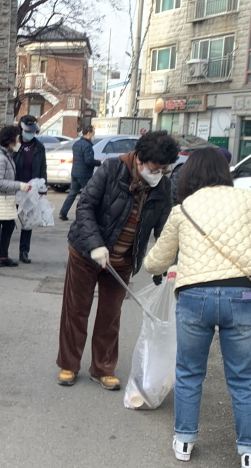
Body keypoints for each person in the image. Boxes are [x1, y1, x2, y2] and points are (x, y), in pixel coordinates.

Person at [144, 148, 251, 468]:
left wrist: (155, 267)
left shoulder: (183, 210)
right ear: (224, 172)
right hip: (242, 296)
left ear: (188, 176)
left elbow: (156, 261)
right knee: (244, 378)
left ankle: (184, 442)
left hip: (194, 298)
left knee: (189, 372)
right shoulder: (246, 200)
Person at [56, 131, 179, 390]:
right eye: (155, 168)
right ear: (140, 160)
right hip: (86, 253)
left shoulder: (163, 186)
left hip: (123, 260)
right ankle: (69, 364)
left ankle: (103, 368)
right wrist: (95, 245)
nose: (158, 174)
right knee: (76, 311)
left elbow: (165, 229)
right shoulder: (112, 169)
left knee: (110, 315)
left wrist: (167, 264)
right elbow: (85, 205)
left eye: (163, 170)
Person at [0, 125, 32, 267]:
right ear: (10, 141)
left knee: (9, 225)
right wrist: (19, 185)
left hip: (4, 198)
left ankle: (3, 256)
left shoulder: (6, 155)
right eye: (17, 139)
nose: (19, 142)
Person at [13, 115, 47, 263]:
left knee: (27, 222)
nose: (30, 134)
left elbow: (43, 168)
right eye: (27, 130)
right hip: (15, 186)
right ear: (21, 129)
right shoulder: (14, 145)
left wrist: (42, 188)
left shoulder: (39, 147)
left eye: (33, 131)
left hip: (31, 189)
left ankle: (24, 251)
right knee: (9, 221)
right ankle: (3, 253)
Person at [59, 125, 101, 221]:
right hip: (84, 174)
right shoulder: (87, 146)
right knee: (89, 195)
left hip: (75, 172)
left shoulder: (77, 144)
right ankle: (87, 214)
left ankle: (63, 212)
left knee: (72, 193)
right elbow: (88, 161)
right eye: (93, 134)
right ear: (89, 133)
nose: (93, 136)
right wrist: (99, 163)